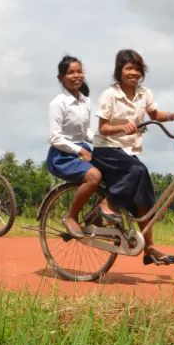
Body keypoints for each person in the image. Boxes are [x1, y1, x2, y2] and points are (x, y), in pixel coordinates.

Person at [93, 49, 174, 265]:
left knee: (145, 196)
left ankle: (149, 248)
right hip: (106, 150)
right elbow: (103, 128)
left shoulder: (145, 93)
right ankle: (106, 204)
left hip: (129, 153)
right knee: (139, 171)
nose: (134, 73)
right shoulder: (110, 95)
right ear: (120, 71)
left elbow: (155, 115)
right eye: (129, 68)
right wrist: (121, 128)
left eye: (137, 69)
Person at [47, 55, 118, 239]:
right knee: (94, 176)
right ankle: (71, 216)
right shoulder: (58, 103)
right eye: (71, 72)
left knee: (116, 169)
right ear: (61, 78)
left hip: (82, 150)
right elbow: (54, 137)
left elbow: (86, 132)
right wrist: (80, 149)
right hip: (62, 155)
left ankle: (95, 216)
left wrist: (105, 142)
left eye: (79, 71)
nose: (76, 75)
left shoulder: (85, 101)